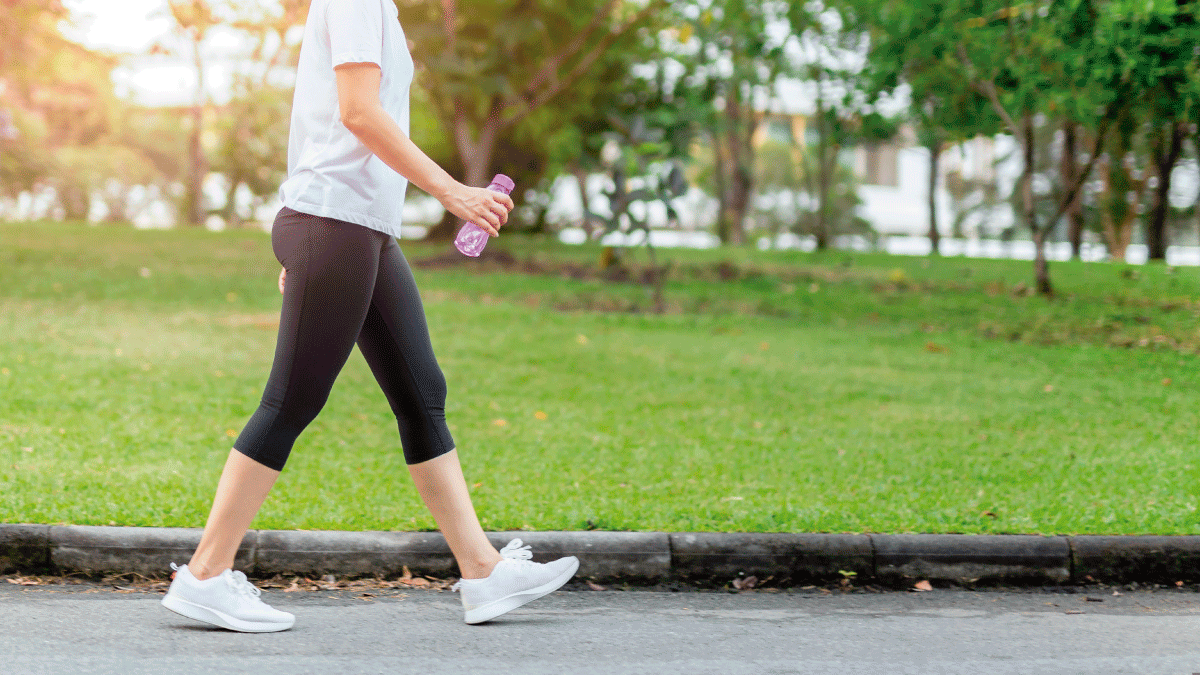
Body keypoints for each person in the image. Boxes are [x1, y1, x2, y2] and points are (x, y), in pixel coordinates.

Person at [160, 0, 578, 632]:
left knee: (422, 391)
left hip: (356, 231)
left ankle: (483, 572)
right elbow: (357, 113)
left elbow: (323, 121)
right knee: (291, 402)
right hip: (337, 225)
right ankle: (206, 576)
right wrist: (452, 191)